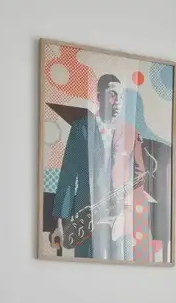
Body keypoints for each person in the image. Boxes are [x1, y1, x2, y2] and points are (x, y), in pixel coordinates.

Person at [53, 73, 150, 260]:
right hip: (86, 216)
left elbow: (139, 177)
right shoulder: (81, 128)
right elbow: (67, 176)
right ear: (98, 97)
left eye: (121, 96)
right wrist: (60, 221)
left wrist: (128, 214)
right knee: (86, 266)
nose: (118, 101)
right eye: (112, 95)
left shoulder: (131, 132)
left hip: (120, 215)